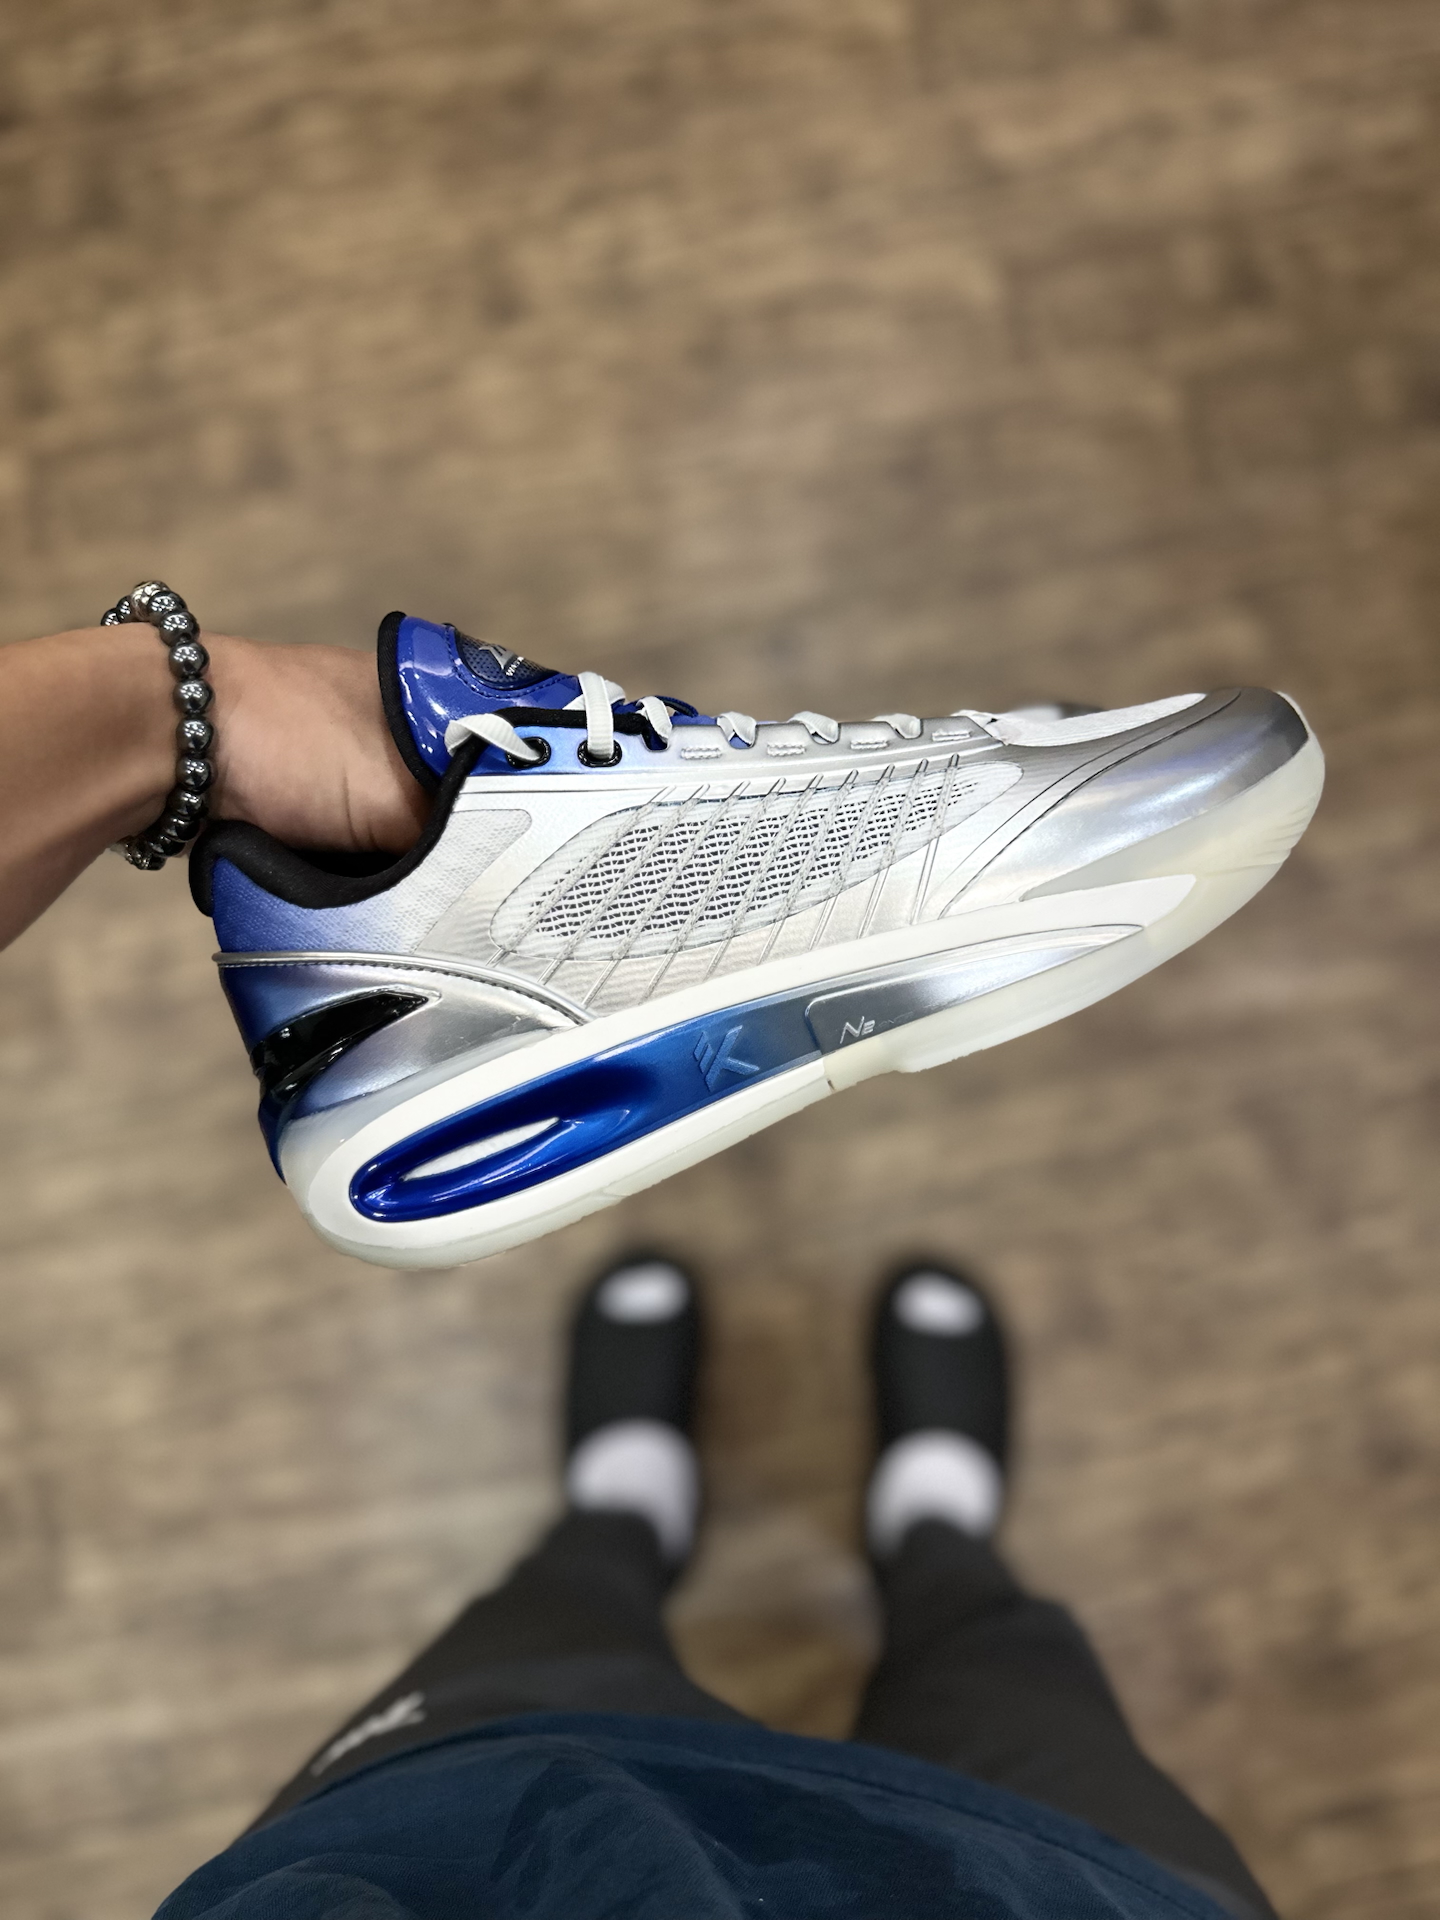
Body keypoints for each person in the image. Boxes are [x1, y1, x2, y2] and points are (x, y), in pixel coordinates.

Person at [1, 613, 1278, 1918]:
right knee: (1004, 1659)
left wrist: (169, 713)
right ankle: (937, 1526)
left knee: (563, 1600)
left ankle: (623, 1506)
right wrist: (173, 705)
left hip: (470, 1848)